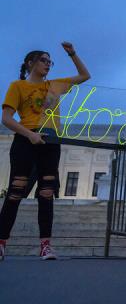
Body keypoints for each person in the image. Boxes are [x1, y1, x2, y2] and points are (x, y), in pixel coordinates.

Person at [0, 43, 90, 261]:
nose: (48, 64)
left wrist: (72, 53)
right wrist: (29, 134)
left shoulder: (55, 86)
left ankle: (46, 246)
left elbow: (84, 75)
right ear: (30, 63)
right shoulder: (18, 86)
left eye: (50, 61)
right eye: (43, 60)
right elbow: (6, 118)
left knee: (46, 193)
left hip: (50, 141)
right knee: (15, 192)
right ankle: (1, 242)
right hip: (26, 139)